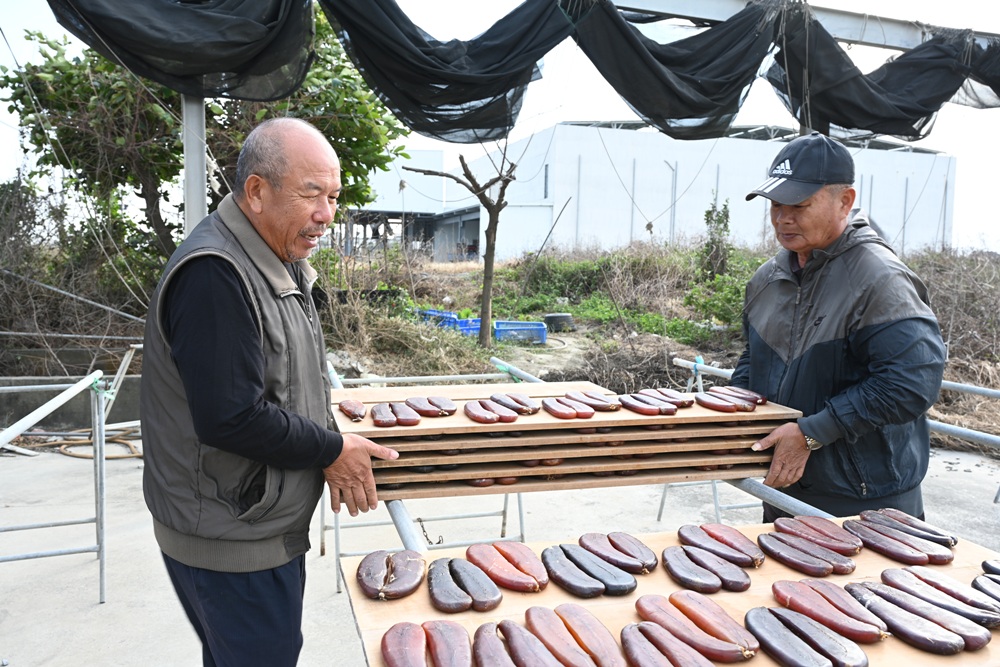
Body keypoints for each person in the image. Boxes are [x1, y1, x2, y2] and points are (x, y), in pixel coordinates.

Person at [139, 117, 397, 666]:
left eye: (333, 197)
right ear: (256, 191)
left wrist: (329, 423)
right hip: (232, 536)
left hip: (256, 522)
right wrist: (331, 449)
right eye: (311, 194)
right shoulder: (216, 274)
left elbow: (281, 379)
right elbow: (231, 416)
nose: (326, 214)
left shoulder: (275, 257)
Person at [733, 131, 946, 522]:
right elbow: (753, 361)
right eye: (775, 204)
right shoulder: (767, 280)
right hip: (783, 484)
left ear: (844, 201)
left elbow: (911, 383)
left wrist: (812, 432)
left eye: (799, 205)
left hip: (865, 500)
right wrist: (730, 414)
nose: (783, 218)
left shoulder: (879, 279)